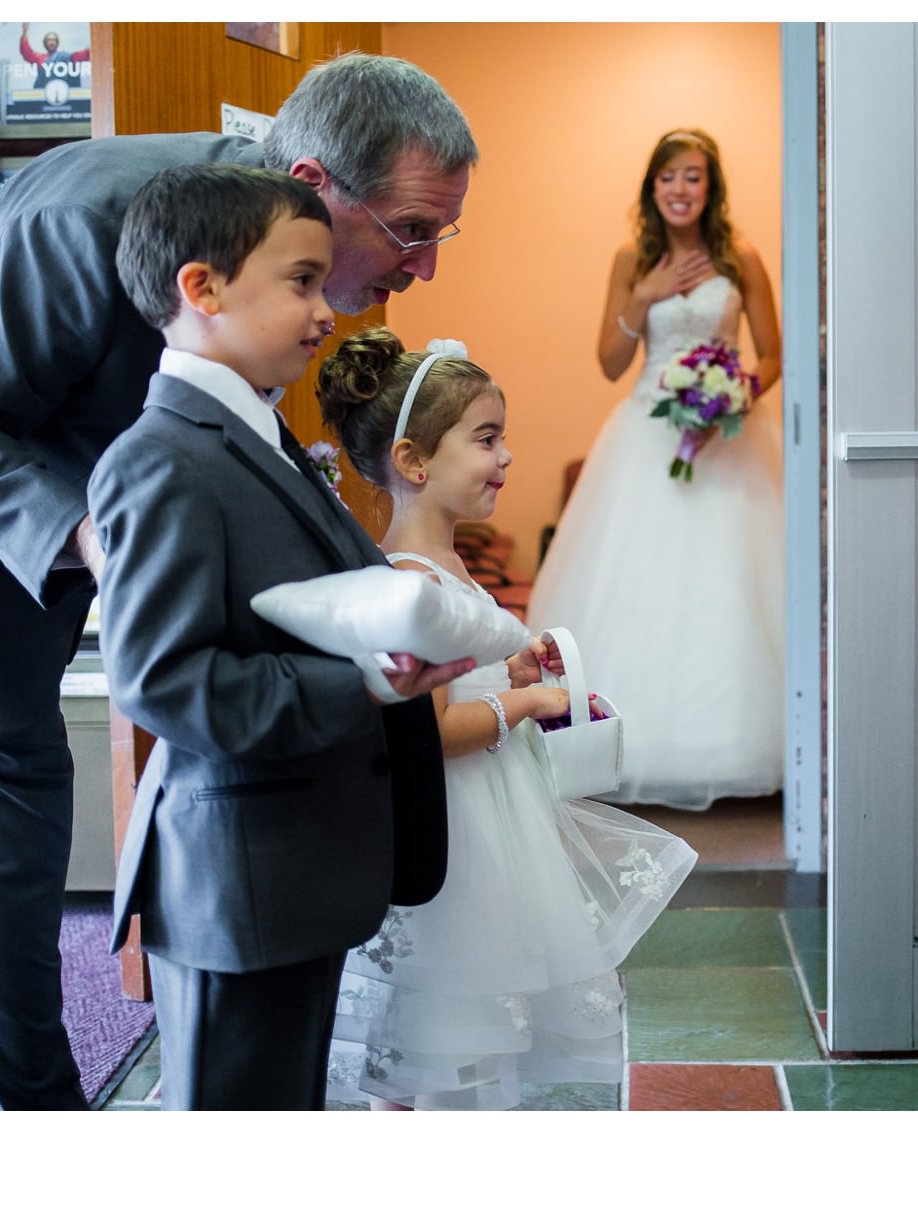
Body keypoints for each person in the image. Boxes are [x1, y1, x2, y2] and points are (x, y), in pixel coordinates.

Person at [0, 52, 477, 1111]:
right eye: (412, 229)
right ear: (313, 179)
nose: (423, 269)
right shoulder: (86, 223)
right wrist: (97, 535)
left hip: (26, 536)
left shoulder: (257, 257)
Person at [92, 166, 465, 1111]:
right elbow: (166, 681)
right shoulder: (160, 458)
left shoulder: (257, 427)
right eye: (301, 281)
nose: (324, 310)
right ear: (202, 288)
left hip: (294, 870)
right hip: (239, 884)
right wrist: (371, 684)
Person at [318, 328, 698, 1110]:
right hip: (454, 841)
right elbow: (426, 734)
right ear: (415, 462)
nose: (506, 456)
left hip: (493, 828)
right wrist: (525, 703)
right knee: (439, 1025)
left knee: (474, 1035)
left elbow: (456, 689)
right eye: (485, 438)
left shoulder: (450, 566)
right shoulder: (406, 583)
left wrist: (510, 671)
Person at [529, 128, 784, 811]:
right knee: (641, 585)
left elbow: (774, 356)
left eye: (693, 177)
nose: (679, 189)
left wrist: (728, 401)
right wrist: (641, 298)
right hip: (646, 435)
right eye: (668, 177)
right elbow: (611, 363)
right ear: (652, 188)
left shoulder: (742, 259)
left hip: (726, 441)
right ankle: (621, 747)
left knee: (730, 585)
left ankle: (733, 746)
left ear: (711, 188)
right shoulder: (628, 260)